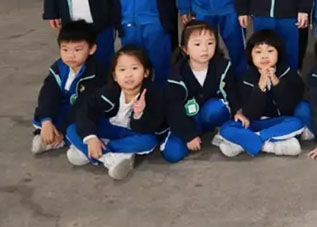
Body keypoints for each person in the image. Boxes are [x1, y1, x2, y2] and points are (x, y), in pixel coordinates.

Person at [65, 45, 164, 180]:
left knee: (149, 141)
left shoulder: (154, 94)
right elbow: (86, 109)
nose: (128, 75)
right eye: (122, 70)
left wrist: (138, 114)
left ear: (146, 72)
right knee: (72, 128)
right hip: (110, 127)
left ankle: (95, 151)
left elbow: (150, 127)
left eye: (135, 68)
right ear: (115, 76)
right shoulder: (109, 90)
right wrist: (91, 138)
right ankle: (111, 158)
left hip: (131, 132)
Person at [215, 30, 305, 157]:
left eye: (270, 51)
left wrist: (276, 83)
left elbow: (288, 107)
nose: (264, 56)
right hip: (253, 123)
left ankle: (244, 142)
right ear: (250, 56)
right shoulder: (246, 78)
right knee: (227, 128)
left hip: (278, 122)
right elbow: (250, 114)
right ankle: (269, 146)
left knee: (296, 122)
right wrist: (260, 87)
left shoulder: (288, 73)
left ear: (279, 53)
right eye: (258, 52)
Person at [160, 20, 240, 163]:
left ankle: (220, 130)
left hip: (209, 114)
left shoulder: (223, 66)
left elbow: (232, 91)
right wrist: (189, 135)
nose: (204, 49)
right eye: (197, 44)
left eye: (210, 43)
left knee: (216, 109)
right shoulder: (176, 76)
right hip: (186, 119)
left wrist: (238, 111)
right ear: (185, 49)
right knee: (172, 154)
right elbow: (174, 109)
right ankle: (194, 133)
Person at [32, 21, 106, 155]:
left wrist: (61, 129)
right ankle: (53, 134)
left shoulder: (95, 74)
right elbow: (48, 94)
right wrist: (46, 120)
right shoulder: (59, 68)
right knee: (42, 112)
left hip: (85, 111)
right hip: (66, 108)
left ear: (91, 49)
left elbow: (83, 106)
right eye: (65, 49)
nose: (70, 55)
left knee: (81, 125)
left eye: (77, 50)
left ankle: (60, 138)